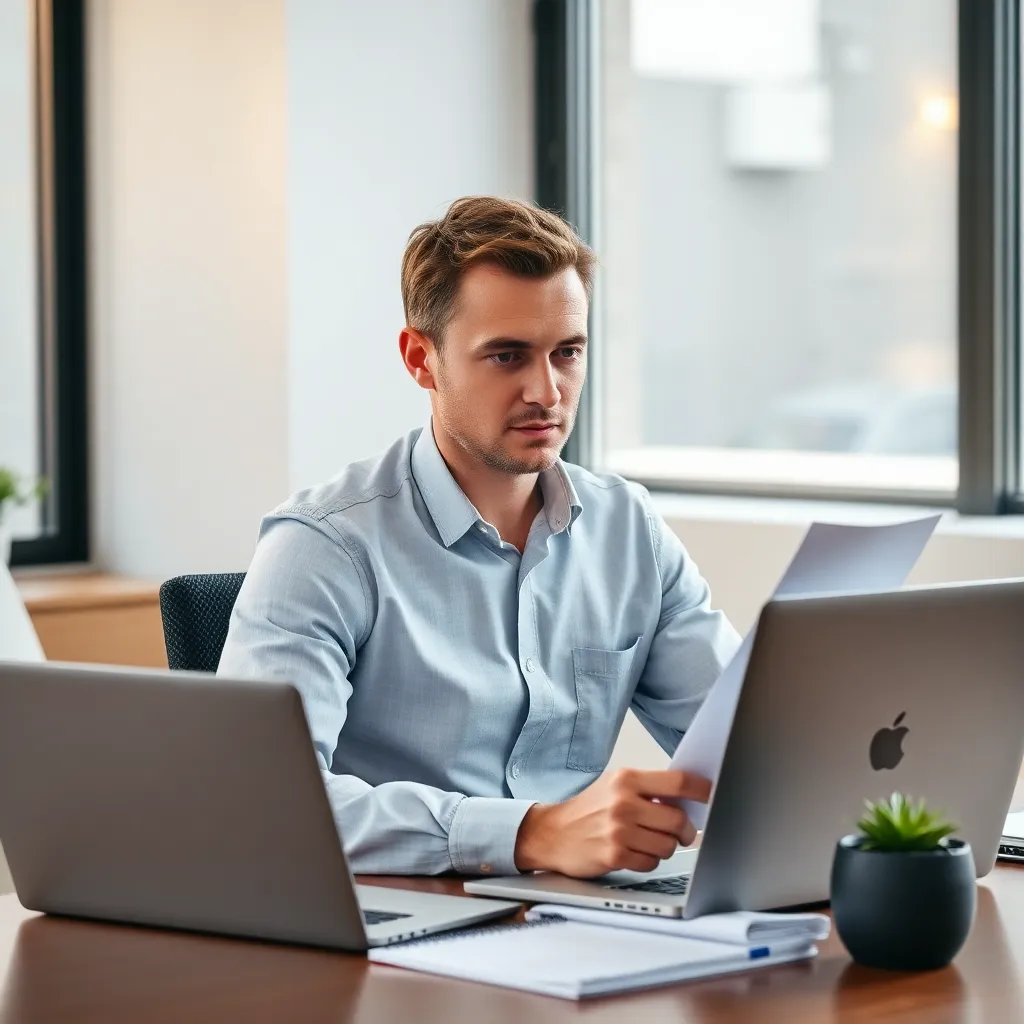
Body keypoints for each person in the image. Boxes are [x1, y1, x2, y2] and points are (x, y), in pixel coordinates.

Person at [218, 196, 740, 878]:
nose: (547, 392)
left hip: (576, 917)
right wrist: (528, 834)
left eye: (568, 353)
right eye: (506, 356)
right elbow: (265, 803)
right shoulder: (324, 546)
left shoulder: (627, 530)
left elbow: (745, 742)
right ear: (420, 359)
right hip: (393, 932)